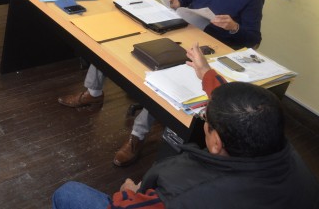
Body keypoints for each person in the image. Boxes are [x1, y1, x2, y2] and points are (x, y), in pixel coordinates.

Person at [58, 0, 265, 166]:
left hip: (209, 50)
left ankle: (137, 136)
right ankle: (93, 92)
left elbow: (253, 38)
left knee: (163, 80)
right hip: (185, 32)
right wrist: (175, 1)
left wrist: (235, 27)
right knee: (115, 41)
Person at [51, 44, 319, 209]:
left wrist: (129, 194)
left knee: (68, 193)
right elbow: (234, 105)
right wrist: (205, 73)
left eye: (206, 120)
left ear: (216, 143)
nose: (204, 118)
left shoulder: (183, 196)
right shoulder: (287, 157)